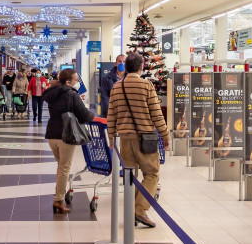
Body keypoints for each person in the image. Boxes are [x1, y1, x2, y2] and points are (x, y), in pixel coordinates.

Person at [107, 52, 170, 228]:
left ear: (125, 68)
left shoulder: (117, 87)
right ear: (141, 68)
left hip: (124, 138)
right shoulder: (146, 85)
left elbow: (111, 114)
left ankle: (133, 211)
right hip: (145, 138)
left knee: (130, 176)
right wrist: (165, 135)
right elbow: (156, 114)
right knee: (152, 174)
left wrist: (111, 137)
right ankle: (140, 210)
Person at [43, 68, 95, 212]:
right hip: (66, 134)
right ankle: (59, 200)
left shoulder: (53, 93)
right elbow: (84, 115)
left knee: (61, 166)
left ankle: (59, 195)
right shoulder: (72, 94)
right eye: (76, 80)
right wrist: (94, 116)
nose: (77, 83)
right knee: (64, 168)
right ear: (68, 82)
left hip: (52, 134)